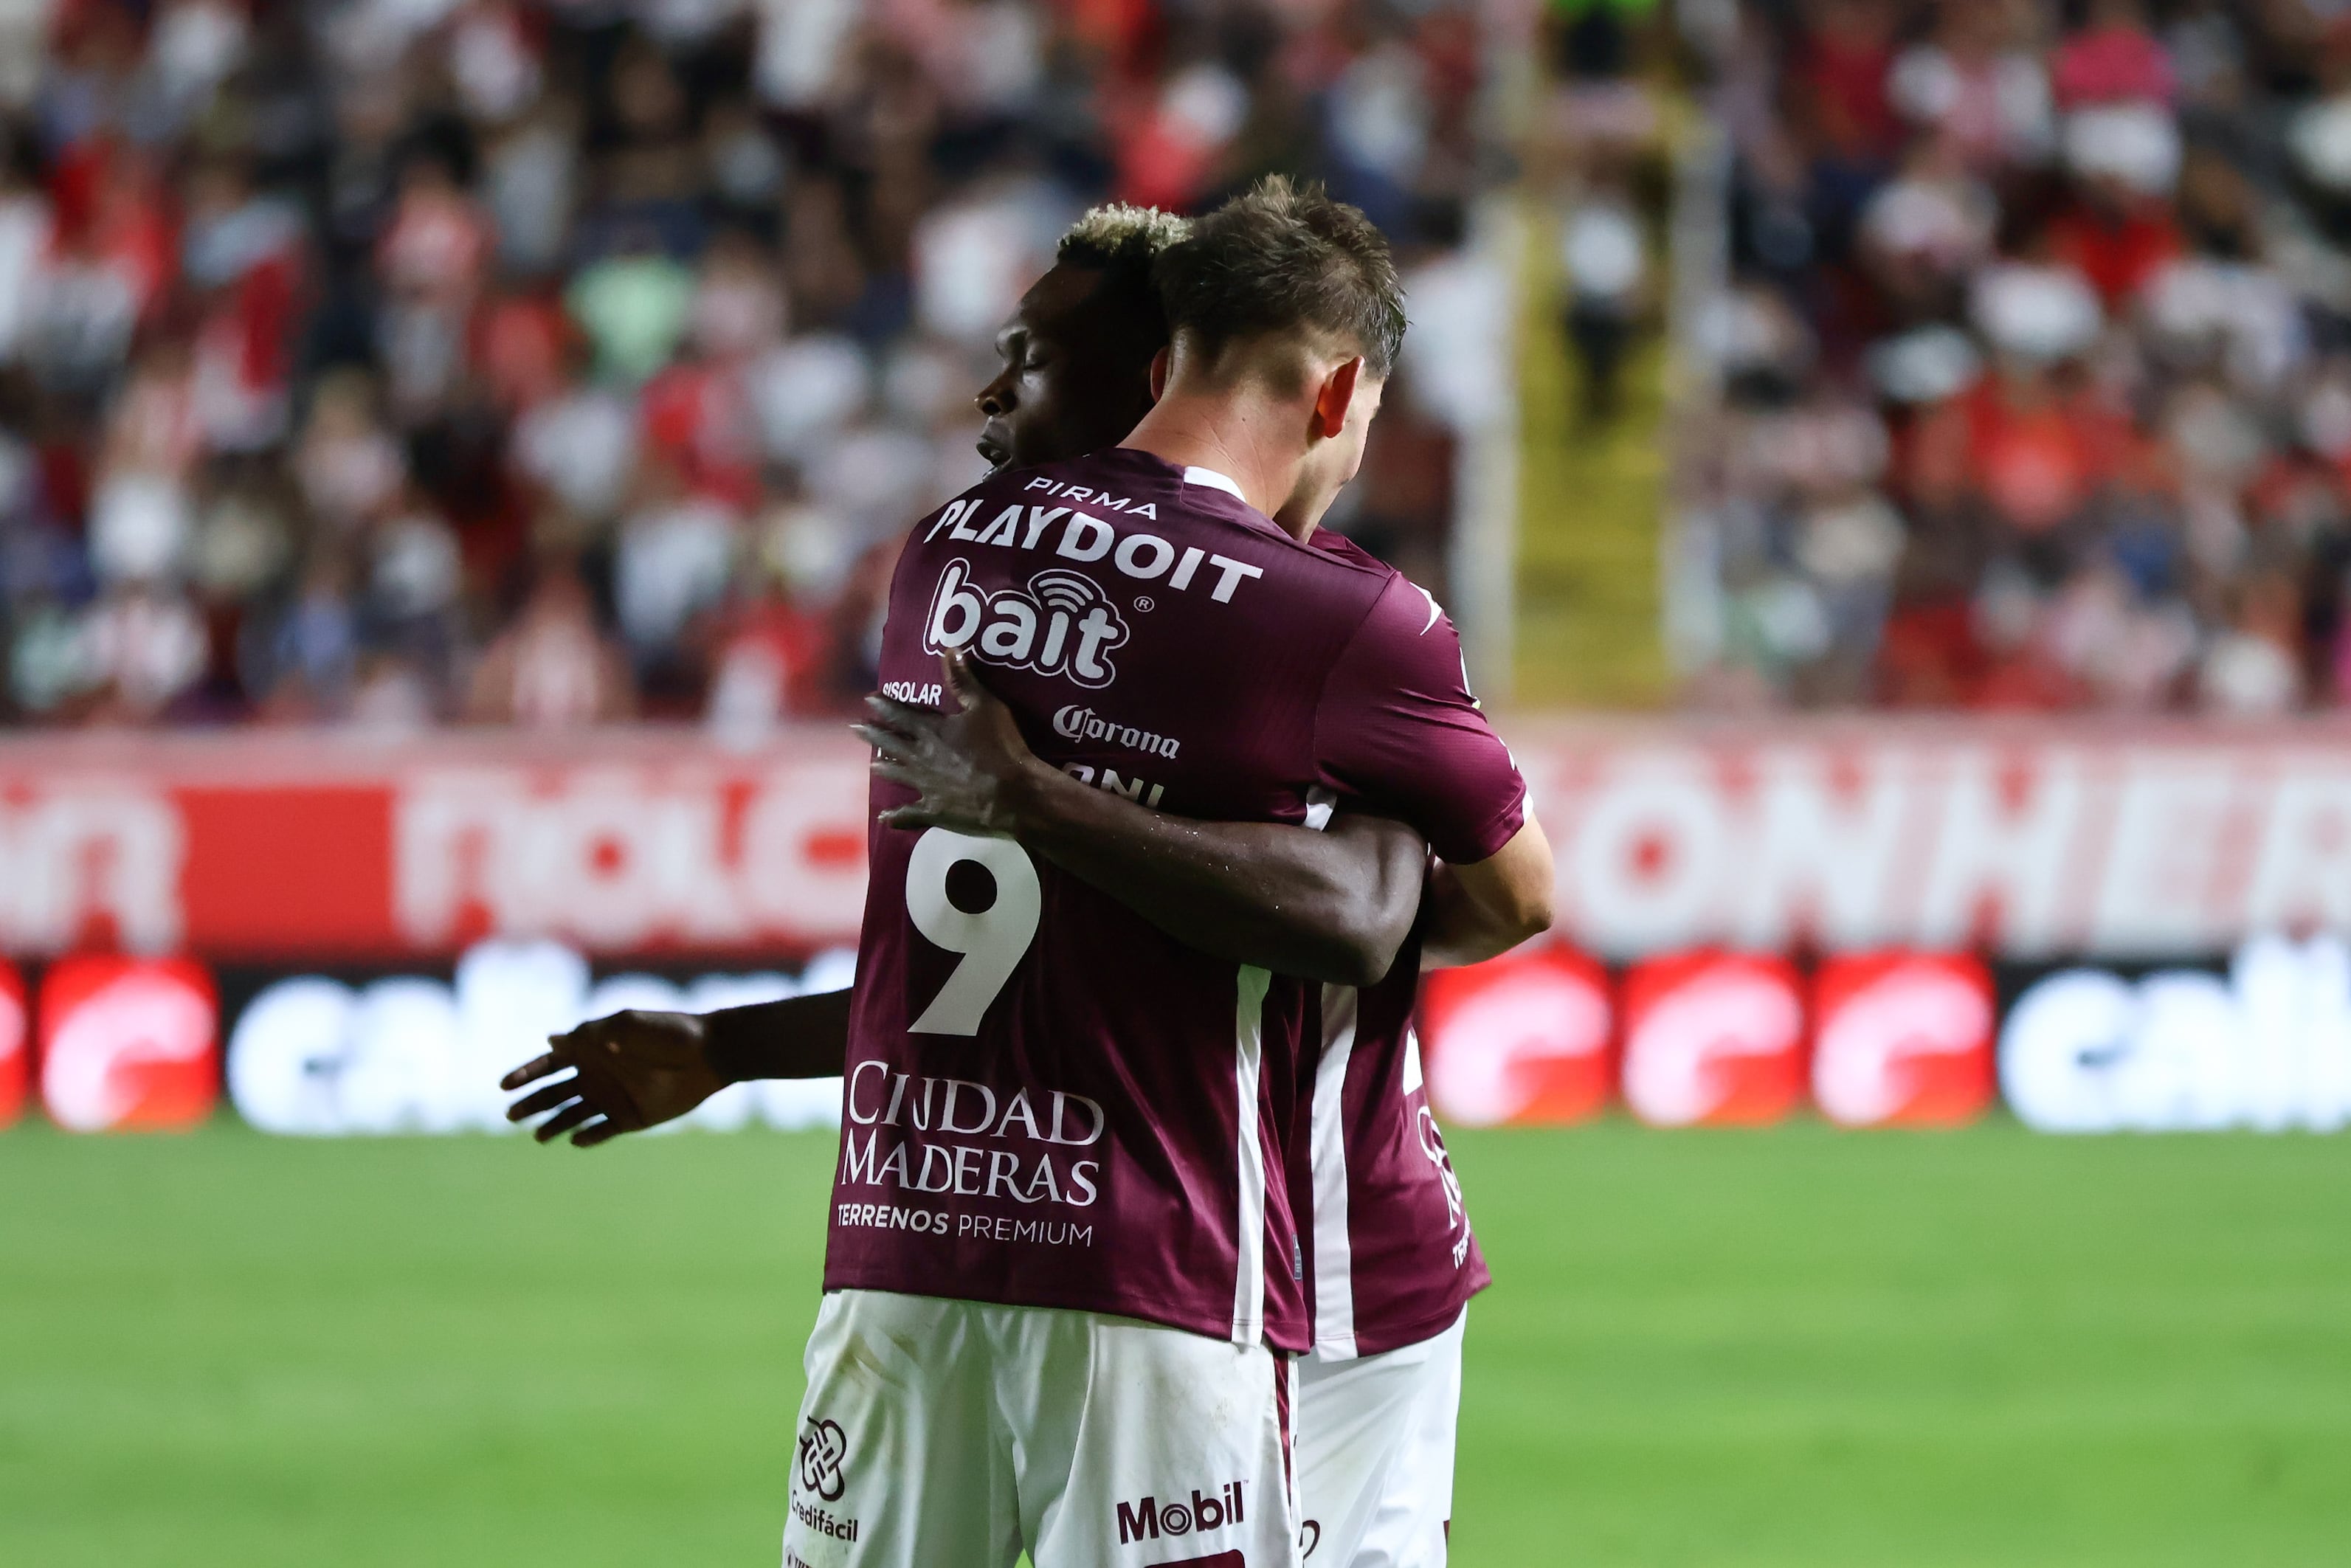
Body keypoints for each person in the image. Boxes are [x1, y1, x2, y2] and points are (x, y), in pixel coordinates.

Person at [505, 190, 1552, 1567]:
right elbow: (1477, 904)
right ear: (1339, 387)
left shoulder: (943, 554)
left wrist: (734, 1040)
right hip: (1179, 1255)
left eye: (1028, 352)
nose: (993, 387)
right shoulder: (1337, 622)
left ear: (1161, 363)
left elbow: (1013, 955)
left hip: (907, 1236)